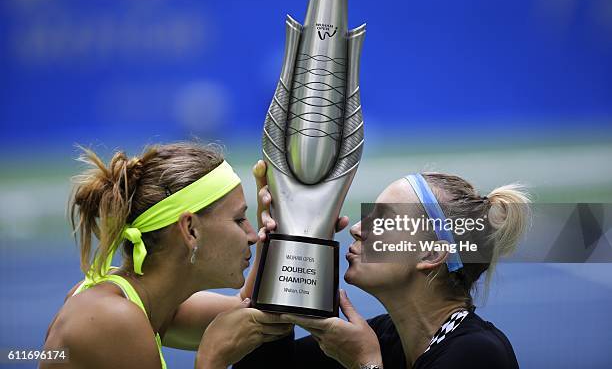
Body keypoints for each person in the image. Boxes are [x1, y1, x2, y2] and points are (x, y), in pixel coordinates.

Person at [237, 165, 530, 368]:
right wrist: (283, 244)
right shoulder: (386, 338)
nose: (356, 228)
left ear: (431, 255)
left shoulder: (477, 356)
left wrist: (365, 364)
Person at [42, 142, 293, 369]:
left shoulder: (152, 303)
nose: (251, 235)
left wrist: (273, 227)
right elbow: (228, 336)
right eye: (239, 220)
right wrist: (211, 359)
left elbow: (252, 312)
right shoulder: (112, 320)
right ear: (190, 230)